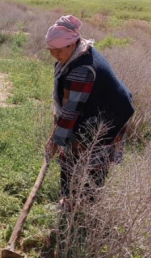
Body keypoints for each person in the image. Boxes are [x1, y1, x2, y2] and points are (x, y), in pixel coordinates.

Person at [44, 15, 134, 204]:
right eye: (51, 51)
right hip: (90, 113)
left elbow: (70, 111)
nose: (55, 56)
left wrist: (55, 140)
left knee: (92, 163)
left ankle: (85, 210)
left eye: (59, 51)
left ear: (71, 44)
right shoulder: (74, 55)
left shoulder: (82, 69)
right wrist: (58, 137)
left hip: (106, 118)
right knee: (70, 156)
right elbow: (68, 109)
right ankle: (68, 201)